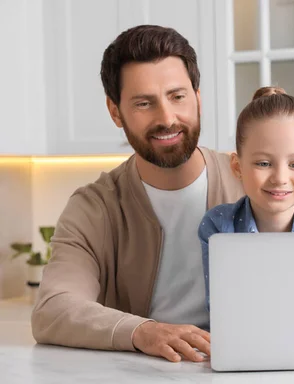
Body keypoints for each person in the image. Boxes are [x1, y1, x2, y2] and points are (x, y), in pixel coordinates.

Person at [31, 25, 244, 363]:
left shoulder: (250, 182)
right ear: (115, 111)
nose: (167, 118)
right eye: (144, 103)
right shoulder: (94, 206)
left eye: (178, 96)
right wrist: (144, 331)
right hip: (137, 383)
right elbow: (53, 309)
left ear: (198, 98)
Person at [199, 87, 294, 306]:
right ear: (237, 166)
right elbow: (221, 309)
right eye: (263, 163)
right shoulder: (218, 225)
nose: (280, 178)